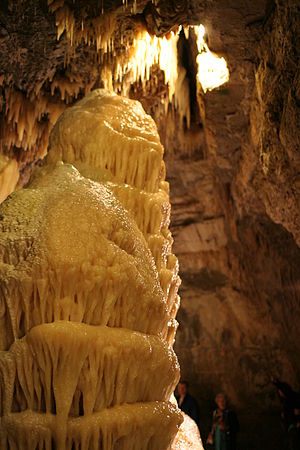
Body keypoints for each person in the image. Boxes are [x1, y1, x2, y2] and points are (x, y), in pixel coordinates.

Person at [272, 378, 300, 450]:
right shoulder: (287, 398)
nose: (279, 392)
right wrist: (276, 382)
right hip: (289, 423)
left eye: (280, 391)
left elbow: (296, 411)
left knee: (293, 442)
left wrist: (298, 421)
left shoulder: (292, 398)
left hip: (294, 424)